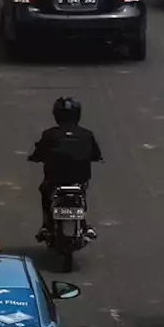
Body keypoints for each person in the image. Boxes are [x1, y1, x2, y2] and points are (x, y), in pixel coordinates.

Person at [28, 97, 101, 241]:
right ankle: (84, 224)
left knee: (45, 191)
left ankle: (46, 225)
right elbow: (96, 155)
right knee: (82, 192)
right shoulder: (86, 134)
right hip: (80, 179)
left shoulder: (49, 134)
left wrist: (34, 158)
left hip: (55, 179)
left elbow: (38, 153)